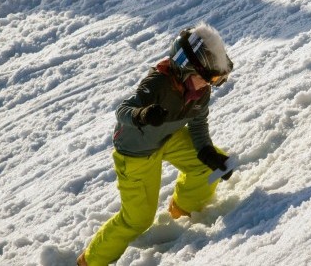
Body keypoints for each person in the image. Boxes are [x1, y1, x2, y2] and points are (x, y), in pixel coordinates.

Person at [78, 23, 235, 266]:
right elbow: (122, 111)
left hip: (167, 137)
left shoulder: (199, 91)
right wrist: (142, 115)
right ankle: (90, 261)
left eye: (216, 79)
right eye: (208, 78)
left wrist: (206, 151)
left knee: (209, 166)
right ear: (187, 68)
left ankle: (182, 211)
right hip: (136, 153)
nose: (210, 85)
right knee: (137, 220)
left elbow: (198, 124)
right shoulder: (158, 84)